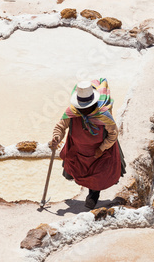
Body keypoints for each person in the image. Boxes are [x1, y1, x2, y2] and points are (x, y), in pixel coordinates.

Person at [50, 78, 126, 209]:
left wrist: (102, 148)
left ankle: (93, 195)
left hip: (99, 152)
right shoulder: (72, 112)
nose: (83, 111)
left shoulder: (103, 115)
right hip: (79, 150)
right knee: (78, 172)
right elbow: (60, 127)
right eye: (81, 108)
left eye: (86, 108)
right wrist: (56, 138)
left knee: (97, 176)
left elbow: (113, 134)